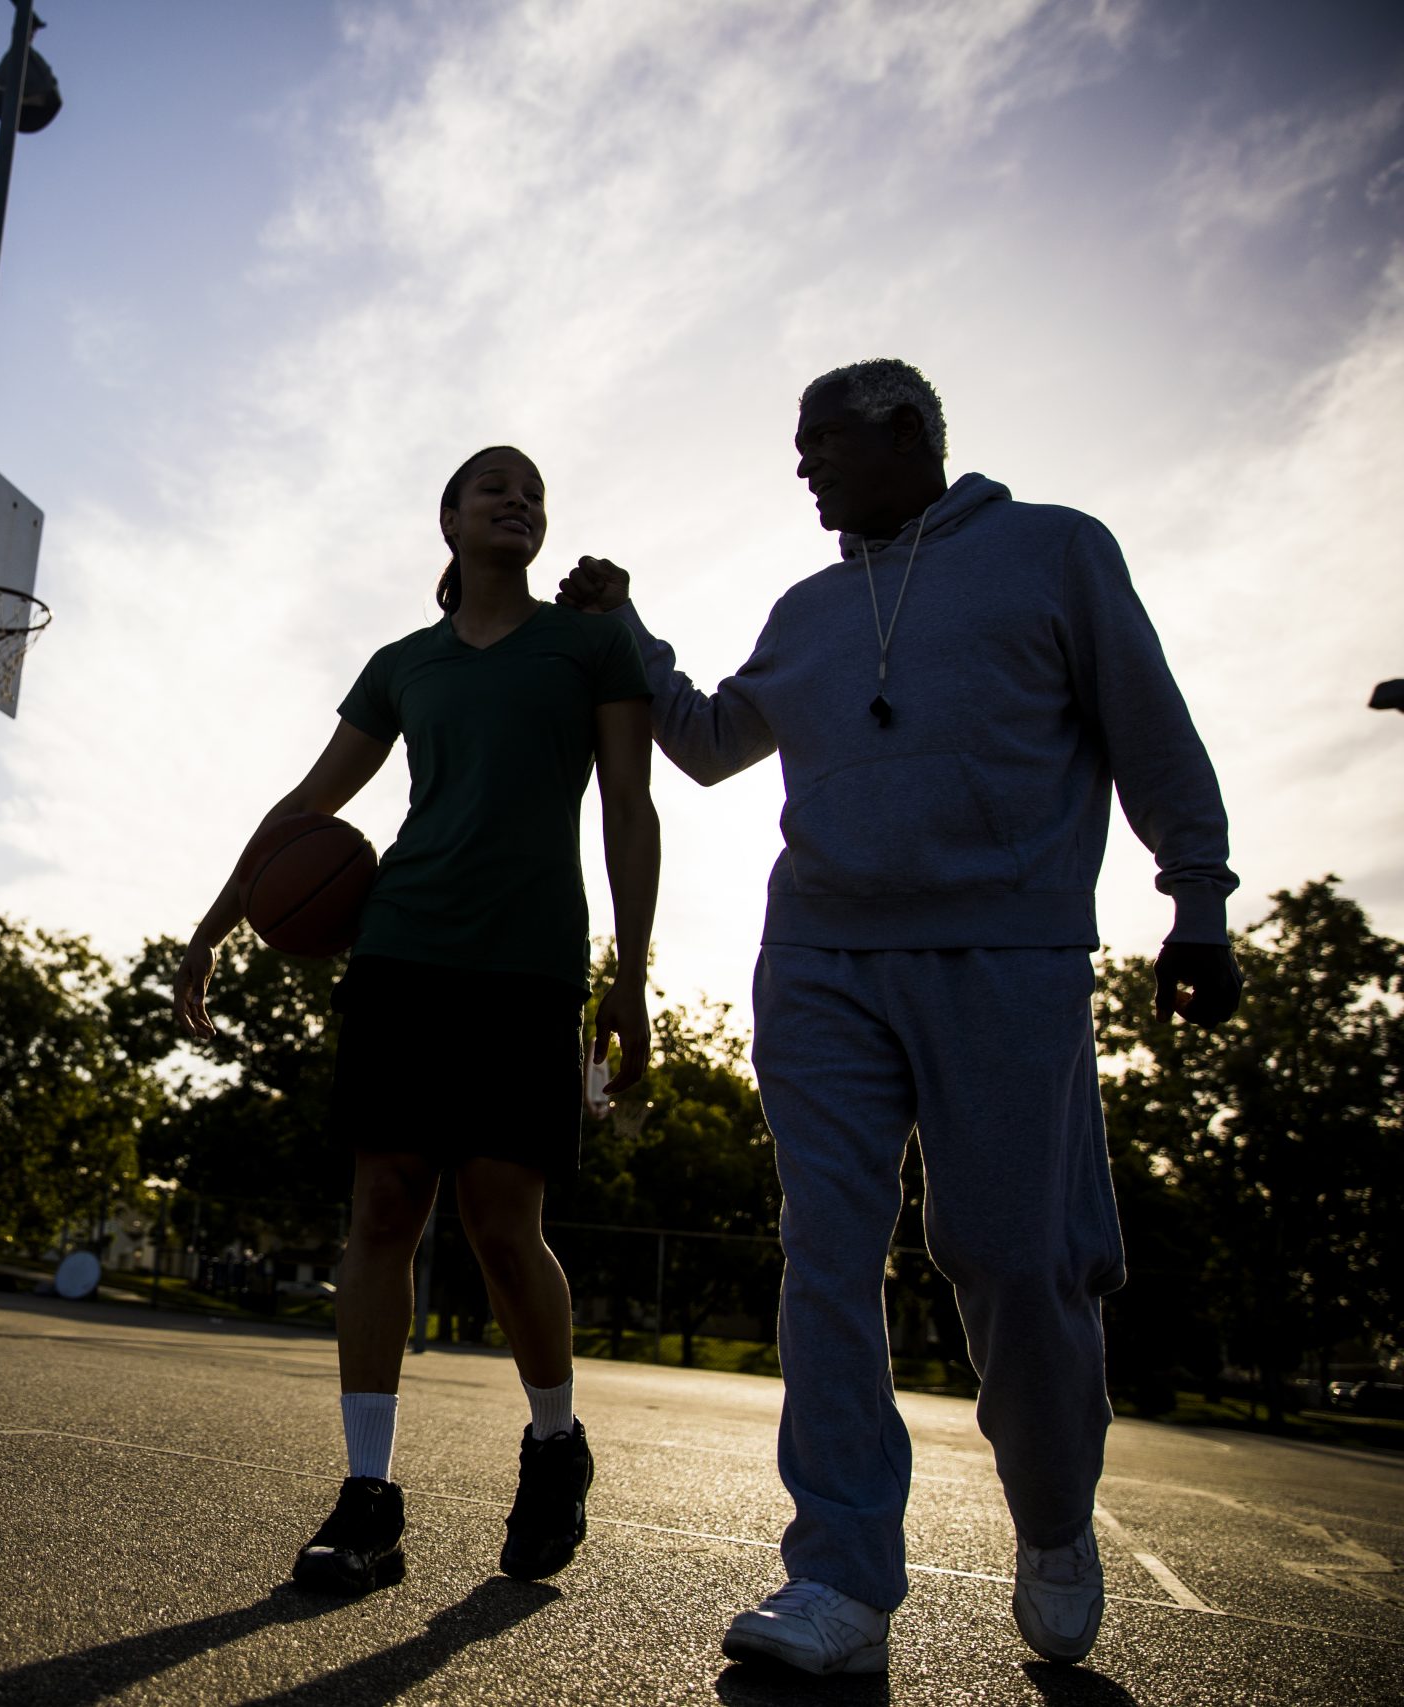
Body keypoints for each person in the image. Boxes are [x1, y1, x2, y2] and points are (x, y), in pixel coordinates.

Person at [557, 359, 1241, 1674]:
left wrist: (1196, 896)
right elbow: (705, 741)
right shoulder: (808, 608)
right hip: (819, 957)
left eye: (821, 442)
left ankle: (1051, 1519)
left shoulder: (1053, 552)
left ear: (908, 433)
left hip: (1005, 950)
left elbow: (1152, 730)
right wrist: (634, 626)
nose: (803, 466)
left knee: (1010, 1256)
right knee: (826, 1249)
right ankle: (842, 1578)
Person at [175, 445, 661, 1595]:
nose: (517, 499)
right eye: (492, 485)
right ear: (445, 519)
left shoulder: (591, 642)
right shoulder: (404, 665)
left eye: (534, 490)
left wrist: (630, 977)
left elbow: (631, 811)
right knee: (385, 1204)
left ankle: (553, 1445)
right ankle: (368, 1497)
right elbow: (306, 809)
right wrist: (209, 926)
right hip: (402, 952)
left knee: (502, 1221)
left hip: (528, 967)